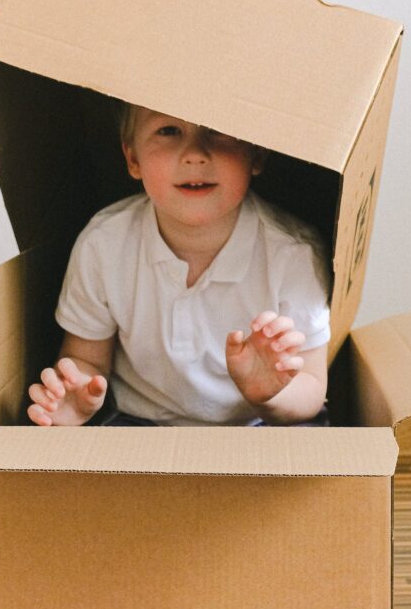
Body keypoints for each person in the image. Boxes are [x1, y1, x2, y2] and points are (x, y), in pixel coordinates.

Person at [27, 104, 331, 427]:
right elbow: (86, 358)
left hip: (255, 424)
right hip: (139, 421)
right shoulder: (104, 245)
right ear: (133, 159)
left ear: (256, 155)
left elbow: (312, 388)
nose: (195, 154)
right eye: (169, 131)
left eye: (217, 129)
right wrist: (77, 398)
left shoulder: (292, 255)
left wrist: (270, 395)